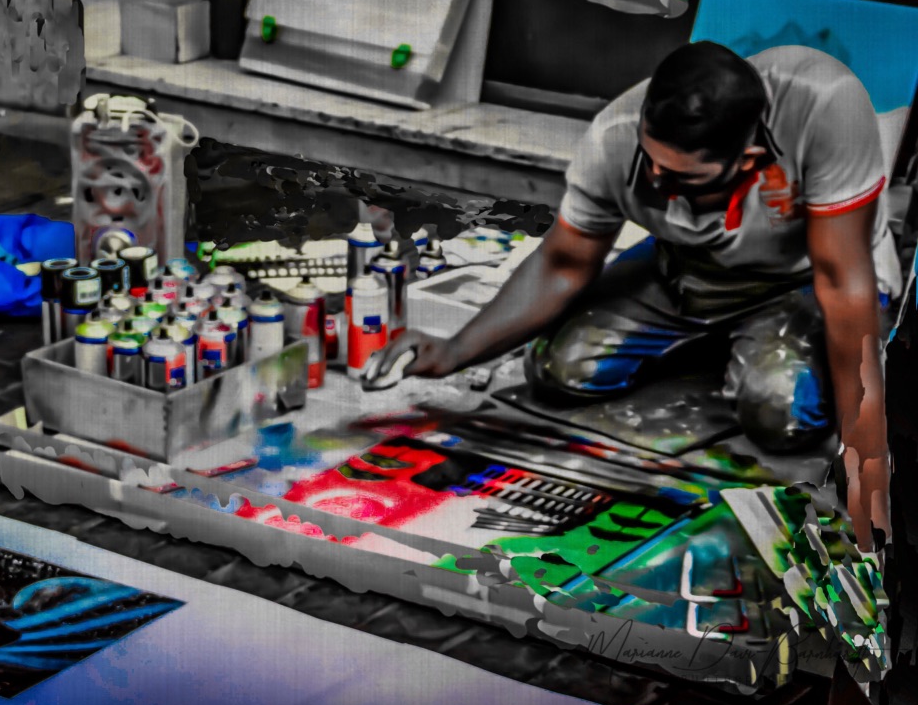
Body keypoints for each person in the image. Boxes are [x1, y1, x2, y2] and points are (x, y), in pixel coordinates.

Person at [381, 42, 896, 554]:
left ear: (749, 160)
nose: (656, 184)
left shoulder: (824, 107)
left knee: (780, 413)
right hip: (688, 268)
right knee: (561, 368)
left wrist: (866, 457)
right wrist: (454, 350)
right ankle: (718, 347)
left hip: (804, 278)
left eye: (684, 179)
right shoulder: (617, 132)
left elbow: (842, 286)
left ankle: (749, 353)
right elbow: (564, 264)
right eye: (651, 163)